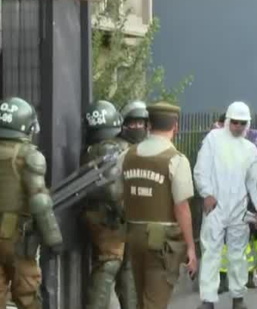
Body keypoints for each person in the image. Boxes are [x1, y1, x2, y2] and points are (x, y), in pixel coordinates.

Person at [121, 101, 198, 309]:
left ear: (148, 125)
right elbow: (181, 208)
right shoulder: (176, 160)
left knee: (141, 299)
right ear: (176, 126)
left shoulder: (127, 155)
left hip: (133, 235)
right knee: (155, 302)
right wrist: (191, 247)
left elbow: (120, 194)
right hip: (161, 242)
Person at [194, 101, 257, 309]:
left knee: (238, 254)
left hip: (238, 209)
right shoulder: (213, 140)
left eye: (243, 123)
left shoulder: (251, 149)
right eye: (235, 122)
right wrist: (207, 194)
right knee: (211, 252)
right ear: (227, 121)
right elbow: (201, 170)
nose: (239, 127)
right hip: (216, 206)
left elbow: (252, 184)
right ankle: (208, 299)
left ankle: (238, 298)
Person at [0, 97, 63, 309]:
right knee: (27, 295)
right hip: (18, 238)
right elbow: (40, 202)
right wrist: (53, 239)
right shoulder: (29, 156)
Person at [80, 100, 142, 309]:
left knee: (122, 265)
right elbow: (113, 190)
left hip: (105, 216)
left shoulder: (93, 148)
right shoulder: (111, 148)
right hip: (112, 217)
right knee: (113, 265)